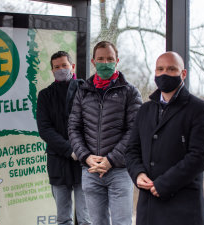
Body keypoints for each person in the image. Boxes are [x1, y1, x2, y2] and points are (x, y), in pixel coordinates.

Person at [125, 51, 204, 225]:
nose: (164, 73)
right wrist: (138, 173)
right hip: (148, 208)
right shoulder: (145, 110)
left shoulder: (200, 110)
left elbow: (200, 157)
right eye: (160, 69)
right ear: (155, 73)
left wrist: (164, 184)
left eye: (171, 69)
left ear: (183, 74)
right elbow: (131, 150)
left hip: (183, 208)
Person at [68, 41, 142, 225]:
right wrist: (85, 157)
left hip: (120, 171)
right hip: (91, 170)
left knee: (121, 222)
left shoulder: (130, 92)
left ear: (117, 61)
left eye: (110, 58)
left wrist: (111, 159)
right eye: (100, 59)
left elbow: (134, 131)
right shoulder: (83, 91)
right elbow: (74, 128)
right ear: (93, 61)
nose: (105, 62)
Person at [37, 51, 91, 225]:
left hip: (84, 162)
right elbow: (45, 129)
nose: (61, 69)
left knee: (86, 218)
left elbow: (92, 124)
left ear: (72, 66)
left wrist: (80, 150)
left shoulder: (86, 90)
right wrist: (69, 150)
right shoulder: (45, 95)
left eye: (64, 66)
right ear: (52, 70)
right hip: (58, 162)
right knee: (63, 218)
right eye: (57, 67)